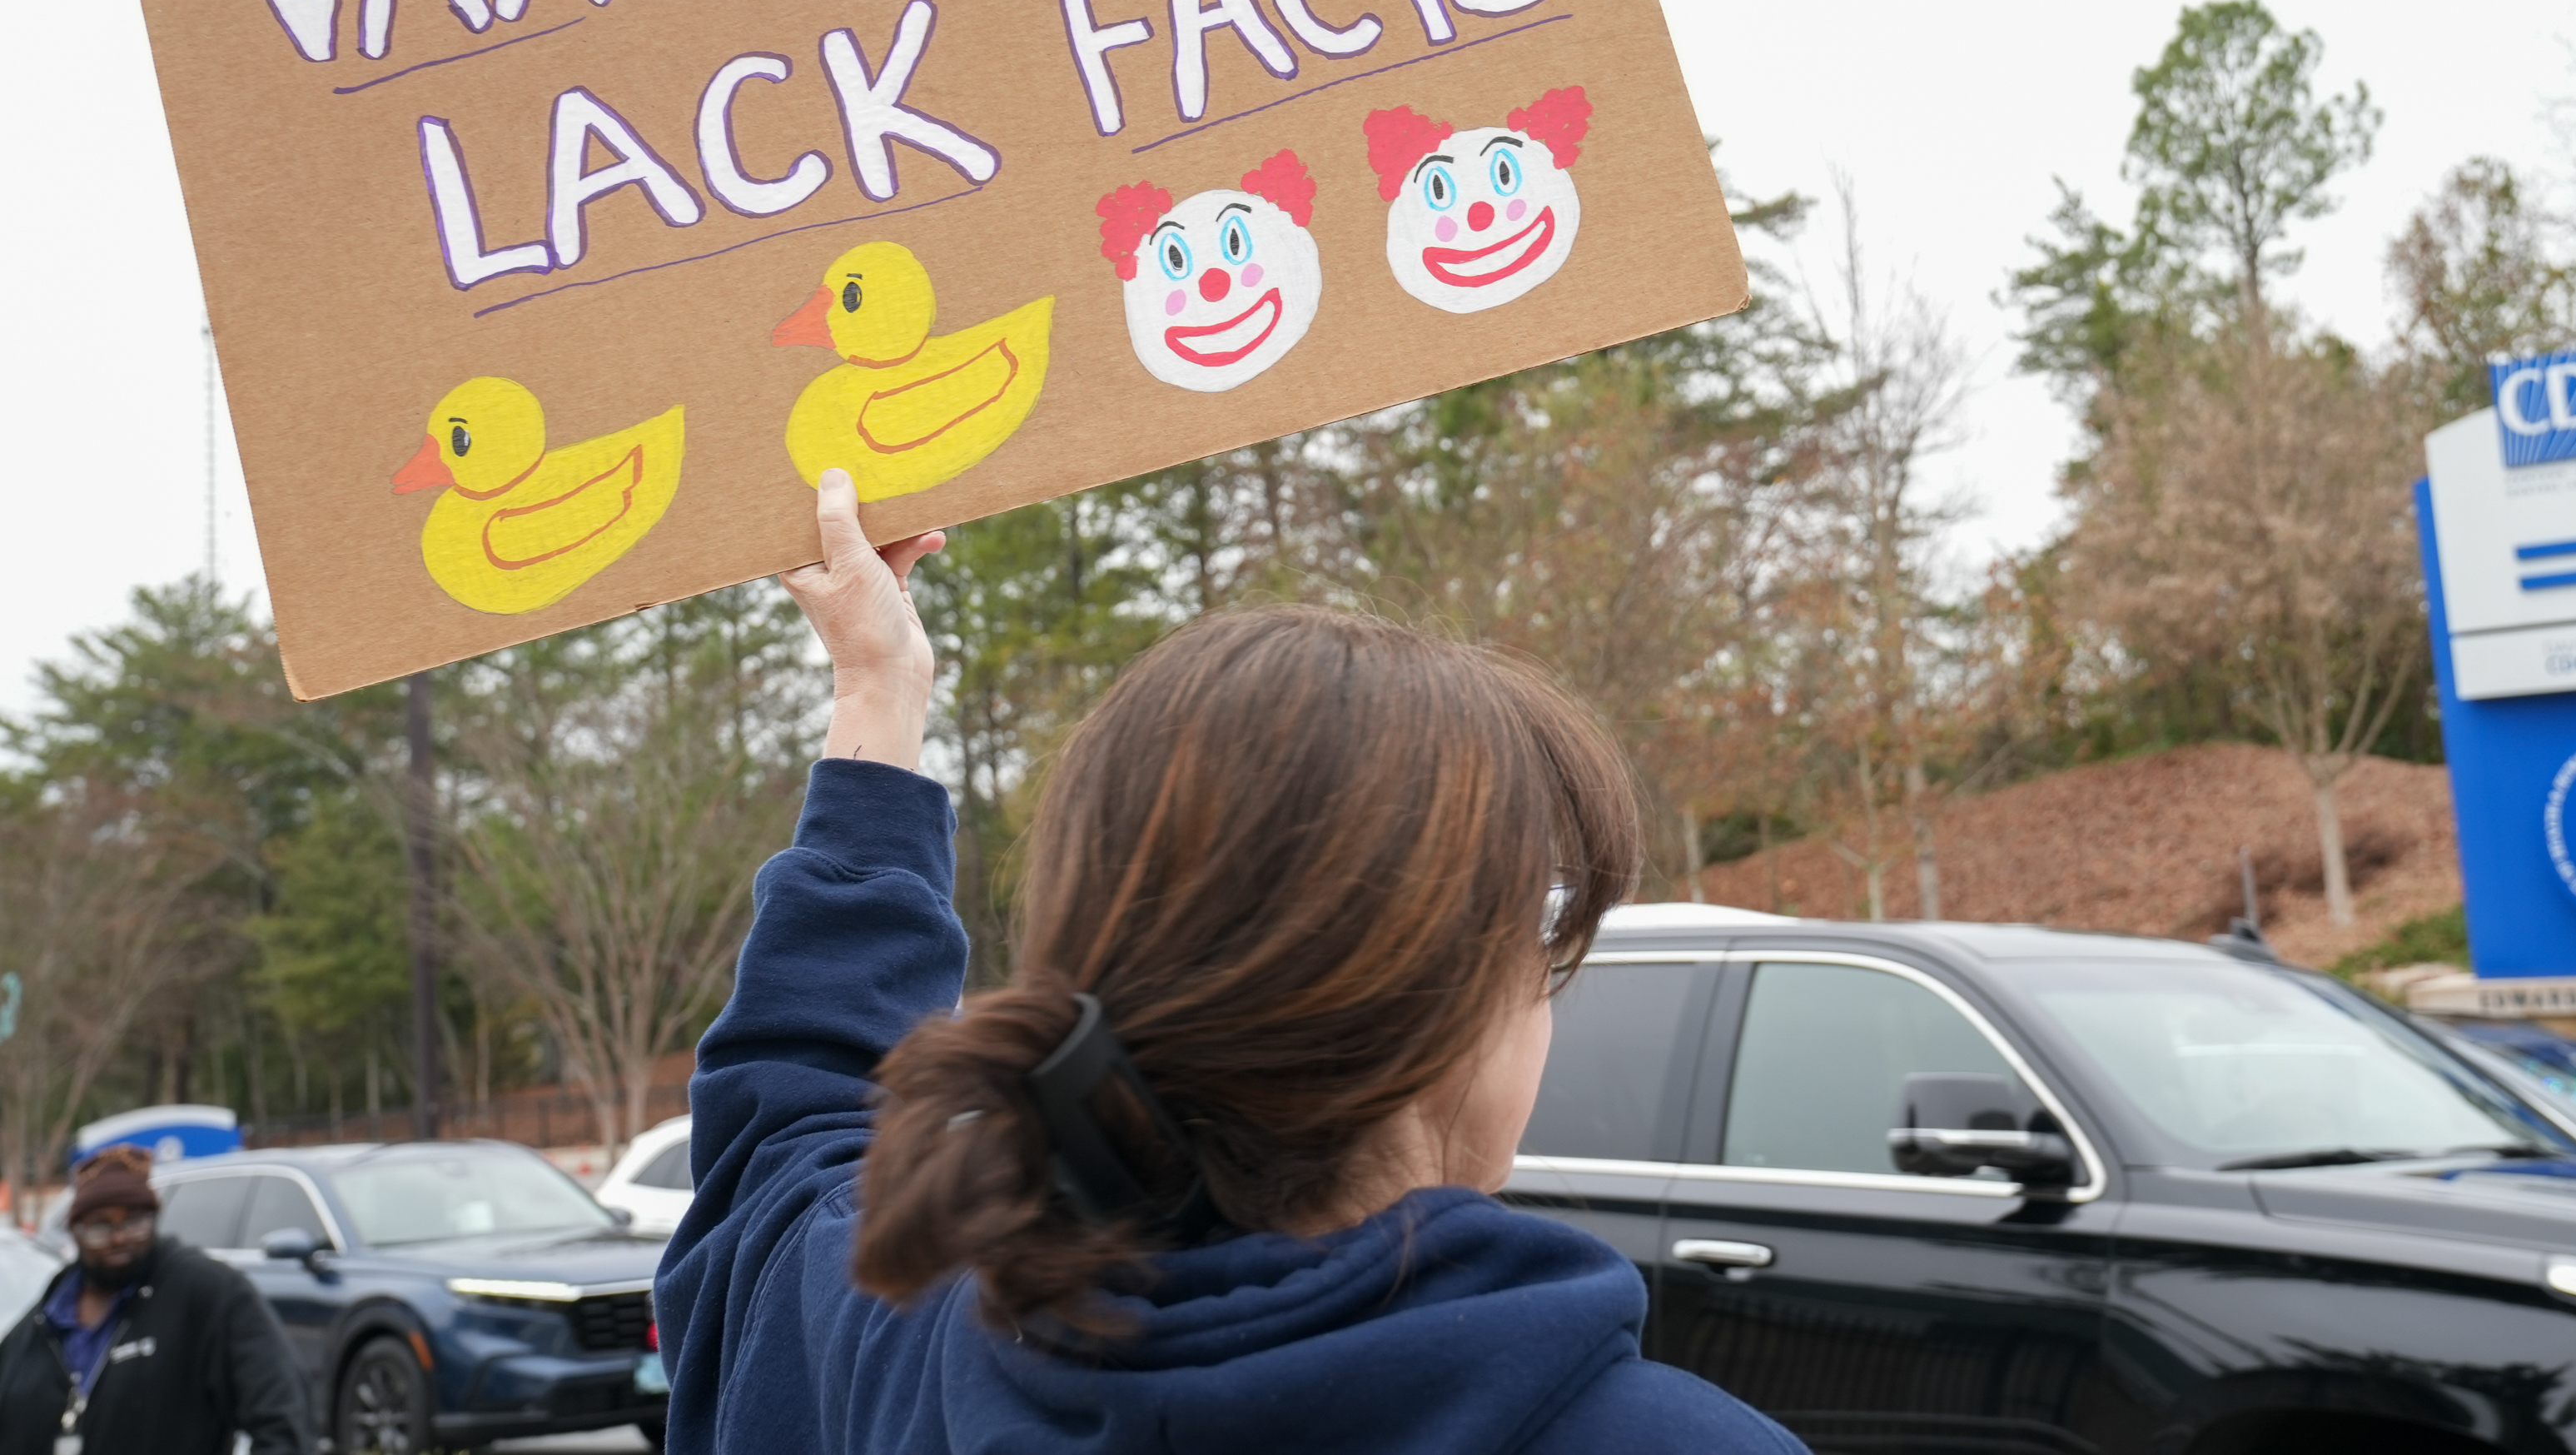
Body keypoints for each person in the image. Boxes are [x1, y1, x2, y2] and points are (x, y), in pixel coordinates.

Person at [657, 471, 1802, 1455]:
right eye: (1544, 947)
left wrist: (878, 686)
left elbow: (781, 1142)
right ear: (1446, 1013)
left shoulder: (899, 1356)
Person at [0, 1146, 306, 1455]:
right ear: (75, 1231)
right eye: (101, 1225)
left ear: (155, 1218)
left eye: (133, 1221)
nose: (119, 1238)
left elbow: (284, 1416)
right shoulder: (40, 1326)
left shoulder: (208, 1294)